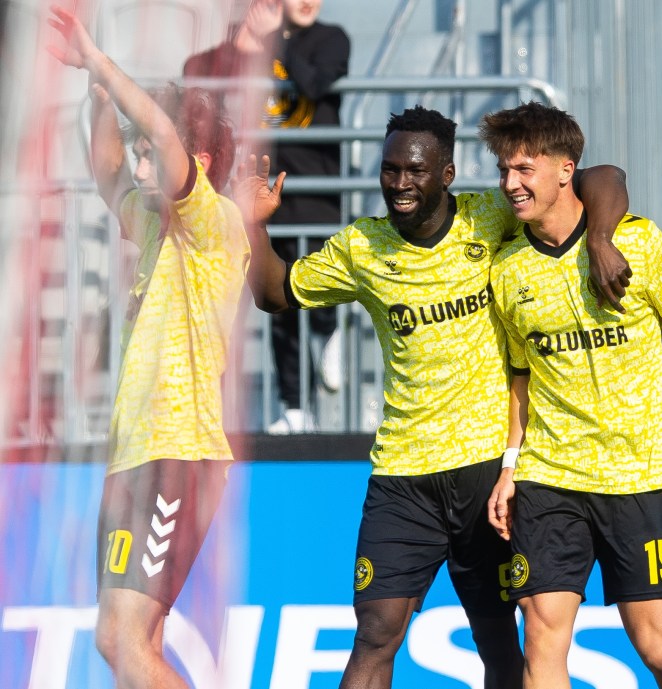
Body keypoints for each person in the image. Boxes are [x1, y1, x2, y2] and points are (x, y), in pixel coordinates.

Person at [235, 104, 632, 689]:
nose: (399, 183)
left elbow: (604, 177)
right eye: (390, 169)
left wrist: (599, 236)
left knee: (499, 644)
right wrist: (253, 223)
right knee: (375, 634)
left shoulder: (490, 217)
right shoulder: (361, 250)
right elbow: (273, 292)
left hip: (483, 473)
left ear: (446, 174)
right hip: (402, 476)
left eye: (414, 171)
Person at [480, 102, 662, 689]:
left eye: (523, 169)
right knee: (541, 640)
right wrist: (510, 467)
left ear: (565, 170)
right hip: (550, 477)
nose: (510, 184)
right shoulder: (508, 268)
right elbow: (522, 379)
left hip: (634, 477)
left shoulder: (637, 244)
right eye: (503, 171)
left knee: (660, 648)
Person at [48, 7, 249, 689]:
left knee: (119, 638)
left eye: (149, 154)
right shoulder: (154, 220)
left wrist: (104, 61)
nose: (138, 162)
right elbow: (107, 168)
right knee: (136, 640)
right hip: (135, 452)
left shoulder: (208, 219)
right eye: (137, 151)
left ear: (196, 163)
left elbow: (160, 132)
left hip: (177, 452)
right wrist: (100, 98)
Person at [185, 0, 351, 433]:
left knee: (320, 287)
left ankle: (329, 332)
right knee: (280, 300)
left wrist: (274, 41)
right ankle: (294, 407)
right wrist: (244, 45)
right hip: (263, 191)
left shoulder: (330, 39)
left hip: (316, 189)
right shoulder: (241, 48)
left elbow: (314, 86)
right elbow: (201, 93)